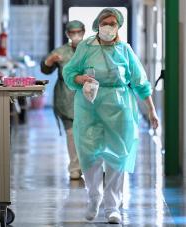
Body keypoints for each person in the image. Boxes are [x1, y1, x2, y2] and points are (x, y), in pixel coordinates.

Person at [63, 8, 159, 224]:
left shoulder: (124, 50)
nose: (108, 27)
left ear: (118, 27)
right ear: (98, 25)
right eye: (105, 23)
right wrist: (80, 79)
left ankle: (112, 206)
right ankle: (94, 198)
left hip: (119, 108)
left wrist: (151, 110)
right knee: (90, 154)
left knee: (117, 157)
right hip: (90, 107)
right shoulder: (86, 47)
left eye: (113, 23)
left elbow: (140, 82)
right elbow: (69, 72)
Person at [40, 20, 85, 180]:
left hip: (87, 97)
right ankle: (75, 167)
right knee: (71, 134)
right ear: (67, 34)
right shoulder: (60, 52)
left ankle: (89, 166)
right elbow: (45, 69)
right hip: (65, 98)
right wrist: (49, 62)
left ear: (84, 32)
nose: (76, 35)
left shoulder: (90, 49)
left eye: (79, 32)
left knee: (88, 135)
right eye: (72, 32)